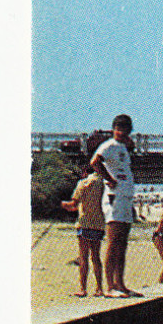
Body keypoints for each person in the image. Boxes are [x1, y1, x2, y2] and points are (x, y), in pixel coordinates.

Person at [91, 113, 139, 297]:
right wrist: (109, 179)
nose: (121, 132)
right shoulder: (109, 145)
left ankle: (120, 283)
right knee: (113, 241)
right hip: (114, 197)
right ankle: (109, 286)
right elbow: (95, 162)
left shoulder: (124, 148)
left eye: (125, 129)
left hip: (125, 197)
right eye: (118, 129)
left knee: (123, 243)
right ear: (113, 129)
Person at [60, 162, 106, 296]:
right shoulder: (103, 183)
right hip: (98, 224)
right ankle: (99, 288)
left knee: (83, 257)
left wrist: (62, 205)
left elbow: (73, 205)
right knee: (96, 257)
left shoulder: (82, 183)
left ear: (85, 172)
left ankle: (83, 289)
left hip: (84, 222)